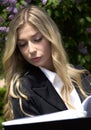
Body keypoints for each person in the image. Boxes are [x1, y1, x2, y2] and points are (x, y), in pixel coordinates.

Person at [3, 5, 91, 121]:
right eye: (23, 44)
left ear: (51, 36)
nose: (31, 50)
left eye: (37, 39)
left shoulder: (82, 76)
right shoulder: (23, 90)